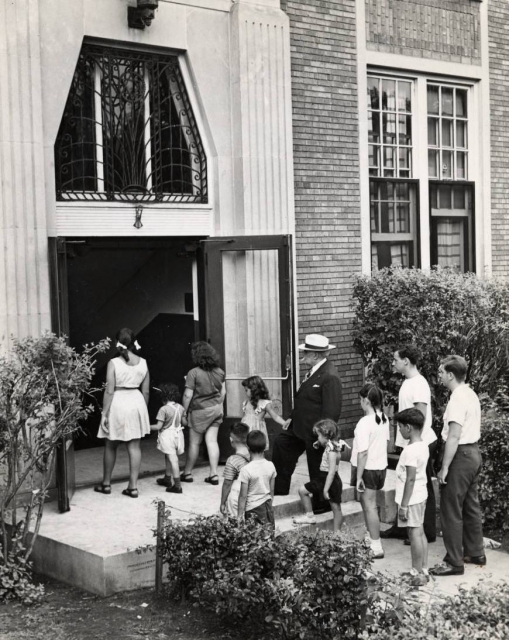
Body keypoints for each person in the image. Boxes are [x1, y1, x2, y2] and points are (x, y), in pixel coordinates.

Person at [272, 334, 342, 514]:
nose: (303, 354)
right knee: (282, 443)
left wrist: (324, 437)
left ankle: (323, 502)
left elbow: (332, 410)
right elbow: (305, 399)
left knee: (318, 465)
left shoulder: (329, 376)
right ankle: (280, 486)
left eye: (306, 352)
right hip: (299, 426)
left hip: (315, 432)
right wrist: (292, 417)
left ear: (316, 355)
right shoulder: (314, 370)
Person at [430, 355, 485, 577]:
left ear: (451, 375)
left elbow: (453, 436)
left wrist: (444, 468)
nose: (440, 376)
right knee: (470, 505)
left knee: (450, 508)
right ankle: (475, 552)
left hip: (460, 455)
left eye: (441, 372)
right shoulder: (470, 394)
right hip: (473, 452)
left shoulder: (456, 400)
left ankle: (454, 561)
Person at [382, 345, 437, 543]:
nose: (393, 363)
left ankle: (426, 531)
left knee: (421, 484)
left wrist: (415, 444)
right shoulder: (408, 381)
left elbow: (419, 416)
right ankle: (402, 527)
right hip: (409, 442)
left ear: (406, 361)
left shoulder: (419, 384)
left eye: (395, 359)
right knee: (403, 481)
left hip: (420, 443)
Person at [94, 328, 150, 498]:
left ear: (117, 342)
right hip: (136, 401)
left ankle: (106, 484)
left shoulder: (114, 363)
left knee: (111, 445)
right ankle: (133, 487)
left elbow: (109, 391)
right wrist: (142, 411)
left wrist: (104, 414)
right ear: (134, 342)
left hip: (118, 401)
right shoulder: (144, 362)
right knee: (134, 446)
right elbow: (146, 391)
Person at [351, 384, 390, 559]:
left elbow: (363, 452)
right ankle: (370, 538)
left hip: (368, 469)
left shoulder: (364, 422)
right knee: (367, 504)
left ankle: (376, 545)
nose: (360, 403)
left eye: (360, 399)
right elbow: (387, 443)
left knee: (370, 506)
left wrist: (359, 476)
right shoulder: (384, 419)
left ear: (366, 400)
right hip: (381, 467)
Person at [180, 342, 226, 486]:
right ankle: (213, 474)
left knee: (194, 443)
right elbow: (223, 392)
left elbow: (188, 395)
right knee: (212, 441)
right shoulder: (220, 371)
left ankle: (187, 473)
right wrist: (219, 405)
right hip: (217, 409)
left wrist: (183, 412)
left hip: (199, 410)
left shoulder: (193, 373)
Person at [393, 408, 430, 587]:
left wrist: (404, 505)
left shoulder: (410, 451)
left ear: (408, 427)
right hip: (421, 495)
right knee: (420, 531)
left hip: (412, 499)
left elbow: (410, 478)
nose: (399, 430)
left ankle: (416, 572)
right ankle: (424, 569)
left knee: (414, 533)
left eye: (400, 427)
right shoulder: (423, 445)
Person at [293, 419, 345, 532]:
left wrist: (325, 490)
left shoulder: (331, 451)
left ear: (326, 436)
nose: (317, 438)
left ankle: (311, 517)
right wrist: (320, 443)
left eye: (319, 436)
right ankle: (337, 533)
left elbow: (331, 472)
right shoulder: (334, 446)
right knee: (336, 508)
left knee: (302, 491)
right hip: (331, 479)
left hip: (326, 479)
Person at [150, 383, 185, 494]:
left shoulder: (164, 409)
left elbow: (158, 426)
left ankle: (177, 486)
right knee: (168, 456)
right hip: (178, 435)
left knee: (173, 459)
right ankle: (167, 478)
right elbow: (184, 422)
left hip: (168, 436)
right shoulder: (180, 407)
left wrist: (146, 427)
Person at [238, 430, 277, 527]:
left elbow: (243, 496)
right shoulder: (271, 465)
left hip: (252, 509)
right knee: (268, 536)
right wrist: (269, 504)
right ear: (265, 447)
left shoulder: (246, 470)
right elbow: (272, 490)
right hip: (267, 506)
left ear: (248, 447)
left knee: (254, 538)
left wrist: (239, 515)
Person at [241, 375, 289, 450]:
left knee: (256, 449)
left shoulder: (264, 403)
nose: (245, 393)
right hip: (245, 430)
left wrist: (284, 423)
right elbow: (244, 417)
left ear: (254, 390)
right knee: (245, 449)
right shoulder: (246, 402)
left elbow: (275, 416)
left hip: (256, 431)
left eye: (246, 390)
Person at [220, 422, 251, 517]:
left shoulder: (232, 460)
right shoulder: (253, 454)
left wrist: (222, 502)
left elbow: (227, 484)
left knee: (235, 522)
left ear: (231, 440)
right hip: (252, 494)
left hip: (238, 498)